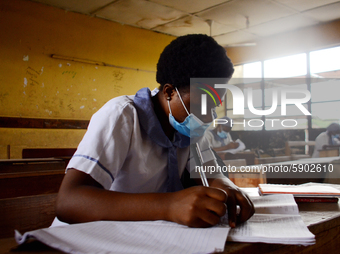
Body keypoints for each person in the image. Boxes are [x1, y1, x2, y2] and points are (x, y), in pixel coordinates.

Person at [55, 34, 254, 229]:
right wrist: (169, 205)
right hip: (88, 238)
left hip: (147, 235)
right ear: (169, 92)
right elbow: (69, 202)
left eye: (213, 106)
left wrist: (226, 185)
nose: (208, 117)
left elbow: (211, 173)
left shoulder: (190, 126)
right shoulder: (122, 115)